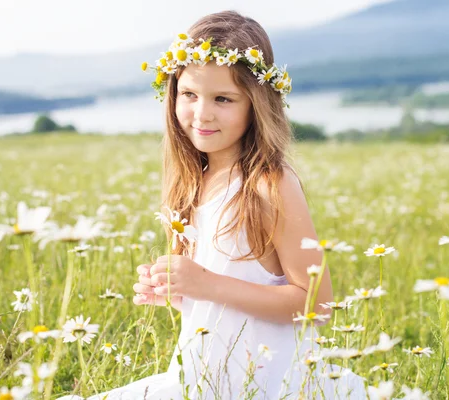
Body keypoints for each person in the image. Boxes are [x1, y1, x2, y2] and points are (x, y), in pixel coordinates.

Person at [59, 10, 365, 400]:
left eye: (223, 98)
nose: (201, 114)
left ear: (255, 103)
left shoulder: (270, 183)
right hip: (200, 379)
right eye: (188, 95)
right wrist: (175, 287)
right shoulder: (191, 184)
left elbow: (316, 305)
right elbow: (219, 291)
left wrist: (207, 283)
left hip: (270, 385)